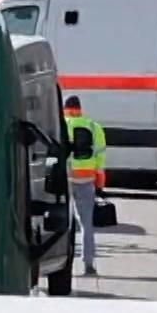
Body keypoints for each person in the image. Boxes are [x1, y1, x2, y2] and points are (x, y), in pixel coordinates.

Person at [63, 96, 107, 276]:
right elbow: (101, 158)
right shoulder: (94, 127)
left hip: (65, 179)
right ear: (80, 108)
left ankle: (62, 263)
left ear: (65, 108)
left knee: (63, 223)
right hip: (87, 179)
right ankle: (88, 264)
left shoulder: (61, 125)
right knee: (86, 224)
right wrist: (100, 182)